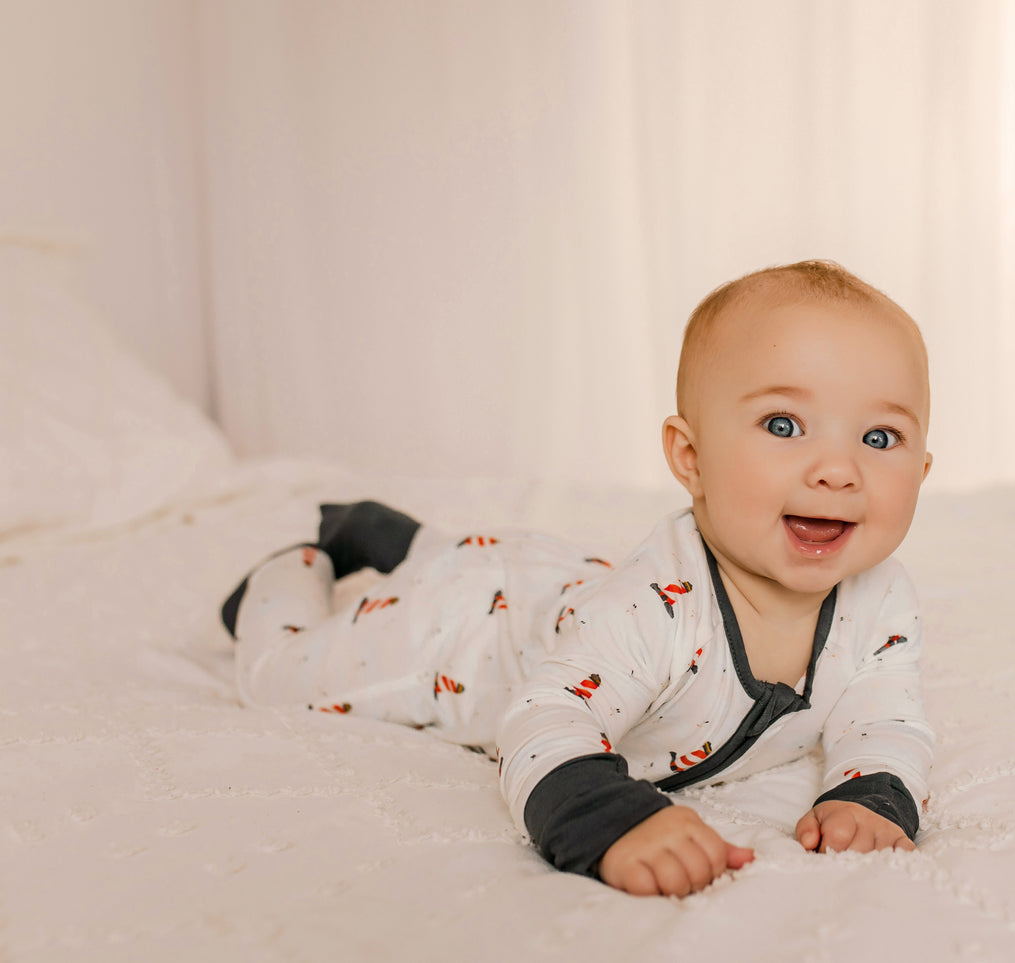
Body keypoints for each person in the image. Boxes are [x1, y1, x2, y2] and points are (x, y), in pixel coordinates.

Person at [222, 260, 935, 898]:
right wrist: (610, 818)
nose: (838, 469)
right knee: (280, 674)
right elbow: (546, 716)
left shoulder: (879, 596)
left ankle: (390, 536)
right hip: (462, 632)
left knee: (488, 565)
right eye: (783, 424)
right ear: (689, 457)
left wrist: (871, 794)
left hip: (556, 589)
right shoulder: (648, 612)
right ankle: (296, 566)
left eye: (879, 438)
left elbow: (883, 714)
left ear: (923, 471)